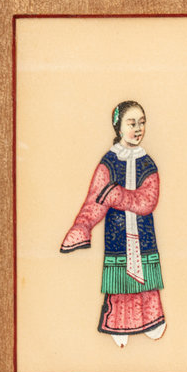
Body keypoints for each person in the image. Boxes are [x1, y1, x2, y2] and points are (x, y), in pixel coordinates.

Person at [60, 100, 166, 348]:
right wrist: (83, 226)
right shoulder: (108, 162)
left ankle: (151, 322)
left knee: (147, 281)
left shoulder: (148, 163)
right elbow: (95, 199)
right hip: (117, 236)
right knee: (119, 283)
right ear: (119, 127)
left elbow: (148, 201)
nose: (138, 129)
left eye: (142, 123)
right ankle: (120, 325)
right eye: (132, 123)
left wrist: (117, 195)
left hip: (144, 236)